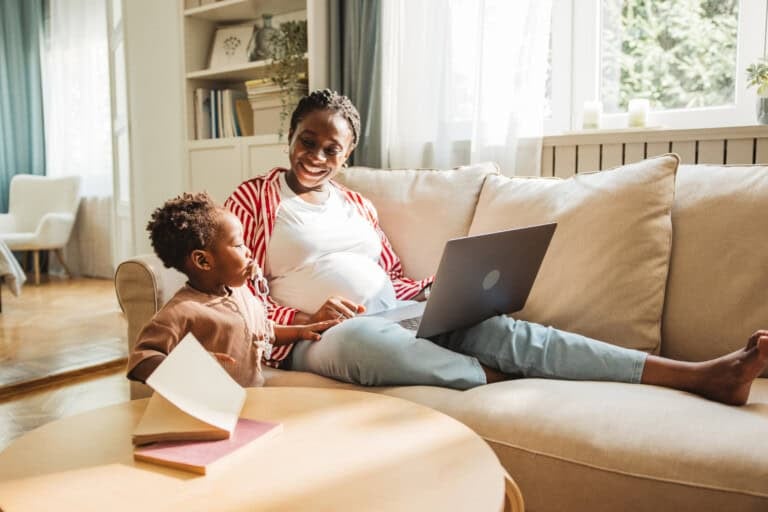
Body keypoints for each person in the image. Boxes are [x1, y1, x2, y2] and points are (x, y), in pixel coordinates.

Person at [224, 89, 768, 405]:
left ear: (346, 156)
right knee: (362, 342)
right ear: (290, 137)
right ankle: (496, 377)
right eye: (306, 141)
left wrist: (449, 291)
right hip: (319, 337)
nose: (315, 155)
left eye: (330, 148)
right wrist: (302, 318)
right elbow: (239, 298)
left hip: (394, 311)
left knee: (506, 331)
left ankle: (697, 375)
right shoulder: (252, 199)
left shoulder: (357, 205)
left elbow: (390, 275)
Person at [126, 192, 338, 387]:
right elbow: (142, 359)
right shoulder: (181, 310)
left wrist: (299, 332)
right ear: (203, 260)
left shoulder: (242, 293)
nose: (248, 252)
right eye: (238, 245)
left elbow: (263, 332)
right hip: (209, 410)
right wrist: (188, 367)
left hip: (251, 399)